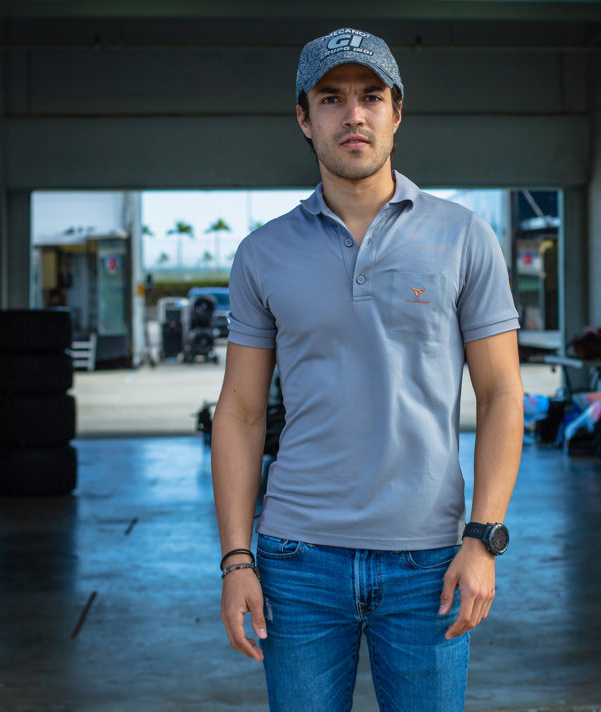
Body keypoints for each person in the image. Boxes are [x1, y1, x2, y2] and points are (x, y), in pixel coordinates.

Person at [212, 27, 525, 711]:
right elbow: (239, 411)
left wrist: (483, 539)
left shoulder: (463, 236)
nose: (353, 114)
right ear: (304, 118)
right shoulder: (262, 253)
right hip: (296, 559)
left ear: (396, 113)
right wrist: (237, 559)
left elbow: (503, 393)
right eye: (331, 98)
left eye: (371, 96)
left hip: (429, 561)